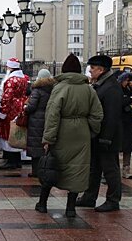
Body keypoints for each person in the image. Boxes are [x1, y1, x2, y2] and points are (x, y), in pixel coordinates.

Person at [38, 54, 103, 217]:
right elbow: (97, 114)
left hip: (62, 131)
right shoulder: (88, 89)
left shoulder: (60, 88)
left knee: (52, 166)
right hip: (82, 133)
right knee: (78, 169)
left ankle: (42, 203)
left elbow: (52, 114)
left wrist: (48, 138)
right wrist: (90, 131)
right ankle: (71, 208)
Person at [77, 55, 124, 212]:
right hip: (98, 135)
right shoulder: (101, 84)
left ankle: (113, 200)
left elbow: (112, 116)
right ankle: (89, 197)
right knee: (94, 168)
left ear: (101, 69)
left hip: (107, 137)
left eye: (93, 67)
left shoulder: (111, 87)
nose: (90, 70)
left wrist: (106, 138)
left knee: (110, 169)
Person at [0, 58, 29, 170]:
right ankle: (17, 160)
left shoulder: (11, 80)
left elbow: (7, 97)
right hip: (21, 106)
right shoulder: (23, 79)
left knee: (9, 132)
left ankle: (11, 160)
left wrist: (2, 112)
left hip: (12, 108)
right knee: (18, 131)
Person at [25, 69, 56, 178]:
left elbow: (31, 107)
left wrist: (25, 108)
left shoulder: (36, 90)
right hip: (47, 119)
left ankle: (36, 171)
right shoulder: (52, 89)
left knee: (35, 147)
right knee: (44, 146)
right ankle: (45, 169)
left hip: (36, 121)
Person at [118, 72, 132, 179]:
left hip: (129, 121)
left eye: (129, 80)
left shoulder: (128, 89)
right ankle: (112, 170)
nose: (127, 82)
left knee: (128, 147)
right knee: (117, 146)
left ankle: (126, 169)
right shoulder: (117, 89)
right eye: (126, 80)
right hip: (119, 121)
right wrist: (130, 99)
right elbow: (120, 102)